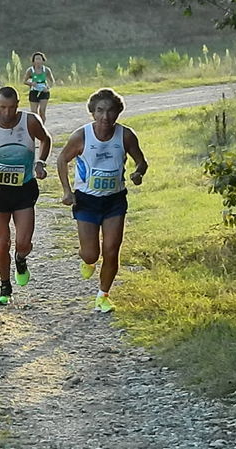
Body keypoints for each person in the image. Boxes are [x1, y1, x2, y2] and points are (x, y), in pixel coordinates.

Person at [57, 88, 148, 313]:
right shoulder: (81, 136)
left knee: (111, 249)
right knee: (91, 254)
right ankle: (87, 261)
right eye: (99, 111)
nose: (105, 117)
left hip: (114, 200)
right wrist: (67, 191)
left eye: (110, 111)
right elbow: (61, 159)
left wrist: (138, 173)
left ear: (118, 112)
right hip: (87, 200)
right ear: (92, 112)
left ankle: (103, 295)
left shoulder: (126, 135)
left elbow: (141, 161)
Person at [0, 86, 52, 305]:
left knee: (23, 243)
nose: (7, 113)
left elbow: (45, 140)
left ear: (18, 105)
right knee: (2, 242)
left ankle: (20, 259)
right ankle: (4, 287)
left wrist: (40, 162)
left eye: (11, 108)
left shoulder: (30, 121)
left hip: (24, 189)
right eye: (2, 107)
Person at [23, 51, 55, 124]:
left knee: (42, 111)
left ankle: (42, 127)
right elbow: (24, 81)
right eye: (36, 59)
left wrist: (48, 88)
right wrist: (31, 83)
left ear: (43, 60)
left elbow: (52, 81)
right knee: (34, 112)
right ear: (33, 61)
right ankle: (36, 127)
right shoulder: (30, 70)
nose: (38, 61)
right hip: (34, 91)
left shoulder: (46, 70)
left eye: (39, 59)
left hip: (44, 92)